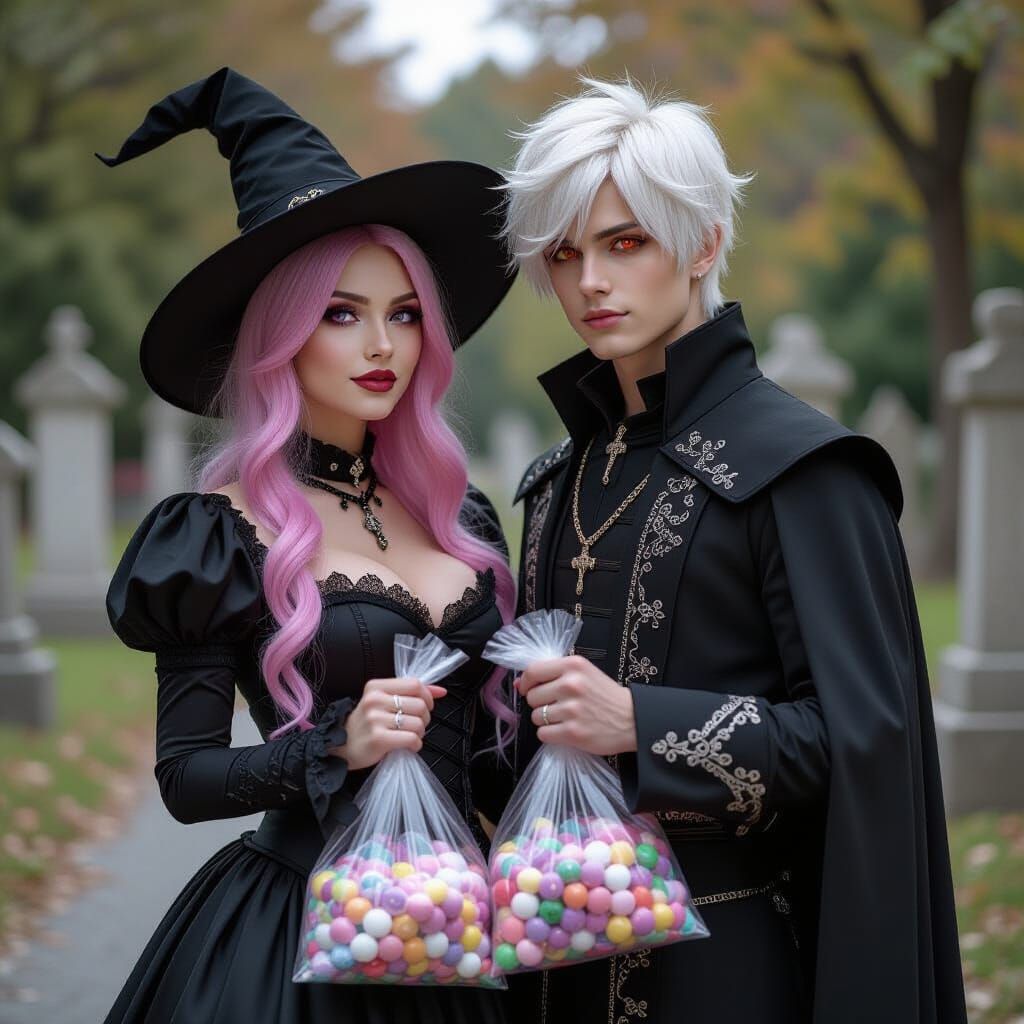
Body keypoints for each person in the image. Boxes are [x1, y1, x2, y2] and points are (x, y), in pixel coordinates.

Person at [477, 76, 967, 1024]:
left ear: (701, 244)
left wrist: (642, 721)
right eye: (568, 252)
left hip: (727, 965)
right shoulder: (556, 482)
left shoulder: (805, 471)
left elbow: (862, 744)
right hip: (548, 959)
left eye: (626, 243)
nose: (590, 282)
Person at [99, 68, 518, 1023]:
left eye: (403, 313)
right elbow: (187, 778)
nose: (383, 344)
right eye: (342, 312)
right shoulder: (214, 532)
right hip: (297, 943)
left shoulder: (463, 518)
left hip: (458, 936)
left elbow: (495, 755)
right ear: (281, 334)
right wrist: (337, 742)